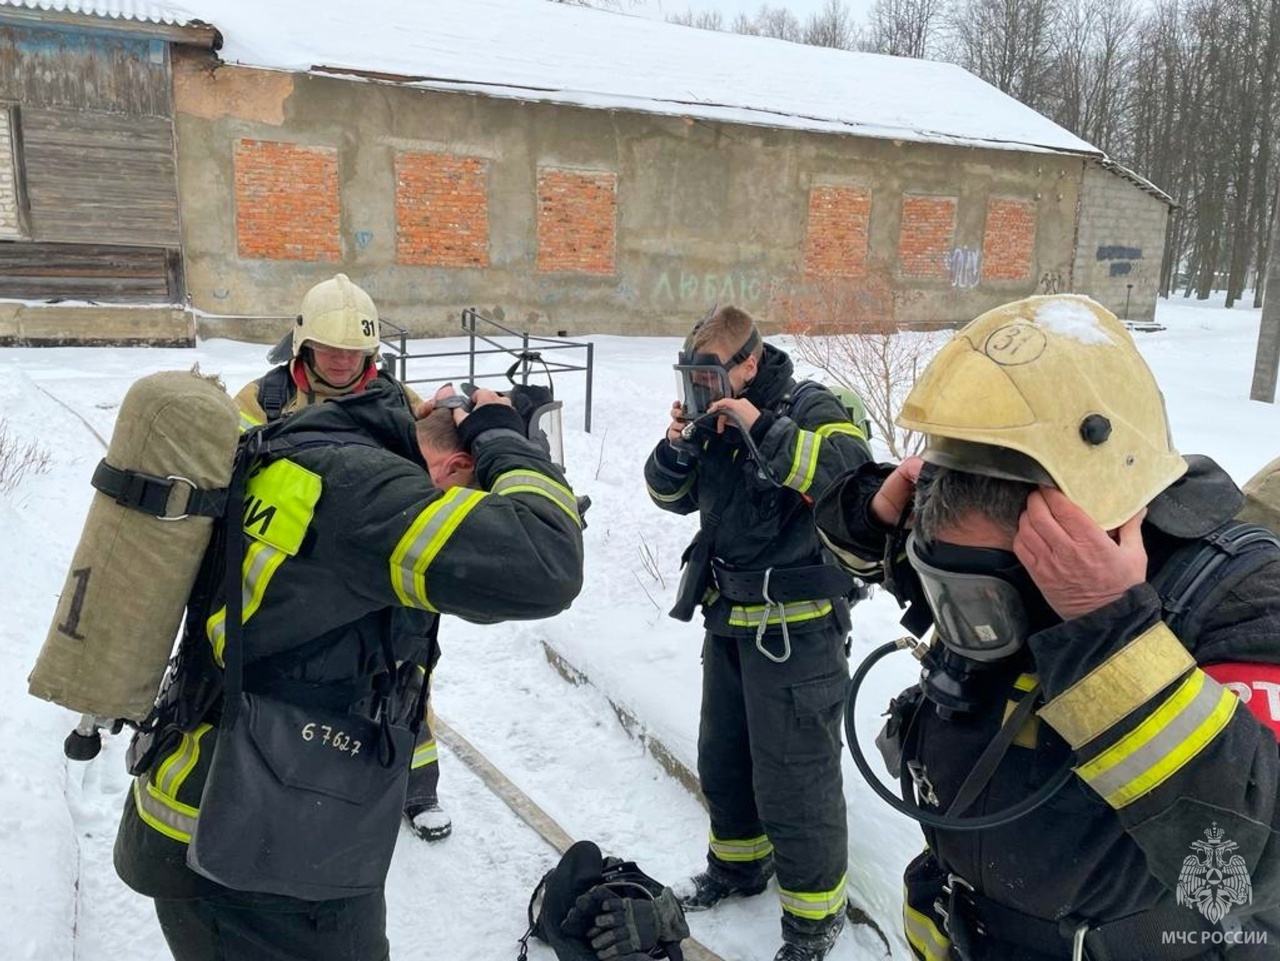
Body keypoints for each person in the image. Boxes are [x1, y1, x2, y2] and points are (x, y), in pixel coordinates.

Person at [814, 294, 1280, 960]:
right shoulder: (997, 565)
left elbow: (1257, 858)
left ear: (1080, 525)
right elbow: (945, 575)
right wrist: (871, 529)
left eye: (977, 588)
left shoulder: (1236, 597)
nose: (960, 614)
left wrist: (1109, 634)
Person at [115, 372, 585, 961]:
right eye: (473, 498)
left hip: (228, 804)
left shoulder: (319, 450)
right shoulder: (369, 497)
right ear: (458, 468)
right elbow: (546, 564)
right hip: (250, 844)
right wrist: (502, 438)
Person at [644, 305, 873, 961]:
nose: (700, 386)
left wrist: (762, 428)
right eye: (691, 375)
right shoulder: (711, 413)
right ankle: (737, 867)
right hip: (729, 620)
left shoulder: (809, 405)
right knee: (725, 759)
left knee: (796, 780)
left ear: (749, 360)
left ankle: (813, 920)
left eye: (709, 374)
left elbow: (851, 478)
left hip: (795, 631)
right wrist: (677, 445)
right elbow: (669, 497)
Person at [234, 273, 452, 842]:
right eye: (330, 348)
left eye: (354, 350)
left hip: (381, 569)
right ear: (304, 344)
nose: (341, 361)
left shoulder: (401, 403)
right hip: (296, 574)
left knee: (404, 672)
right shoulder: (263, 402)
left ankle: (418, 786)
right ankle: (295, 782)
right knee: (298, 680)